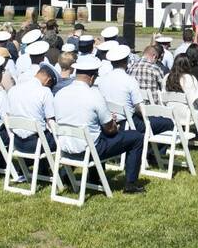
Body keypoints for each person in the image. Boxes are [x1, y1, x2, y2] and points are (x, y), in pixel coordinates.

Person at [53, 54, 147, 193]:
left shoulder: (60, 93)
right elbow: (110, 130)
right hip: (89, 149)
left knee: (95, 133)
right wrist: (115, 125)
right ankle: (130, 184)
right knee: (136, 137)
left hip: (66, 146)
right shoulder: (93, 95)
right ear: (91, 77)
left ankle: (90, 177)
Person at [6, 65, 58, 155]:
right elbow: (51, 121)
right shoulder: (45, 92)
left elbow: (8, 115)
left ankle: (40, 167)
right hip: (37, 143)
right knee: (60, 140)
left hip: (16, 142)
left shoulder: (13, 90)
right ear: (48, 81)